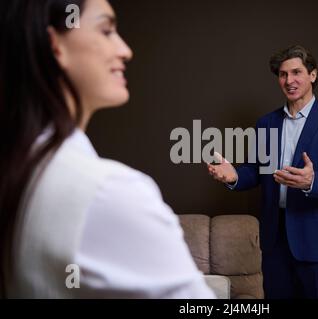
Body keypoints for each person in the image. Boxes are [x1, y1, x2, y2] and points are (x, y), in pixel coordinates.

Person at [0, 0, 215, 298]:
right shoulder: (109, 191)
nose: (125, 50)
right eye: (106, 30)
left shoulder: (19, 169)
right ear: (56, 46)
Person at [207, 44, 318, 299]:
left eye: (296, 72)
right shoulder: (267, 123)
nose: (289, 80)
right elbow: (257, 171)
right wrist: (235, 176)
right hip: (275, 242)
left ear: (312, 75)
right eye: (283, 74)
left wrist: (312, 181)